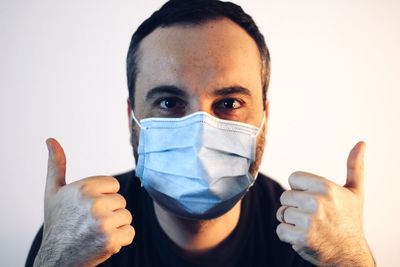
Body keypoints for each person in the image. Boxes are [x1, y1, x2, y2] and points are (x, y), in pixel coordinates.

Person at [26, 0, 376, 266]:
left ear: (264, 117)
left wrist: (349, 258)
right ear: (131, 117)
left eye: (229, 103)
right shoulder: (79, 237)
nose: (199, 135)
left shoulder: (312, 245)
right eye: (167, 102)